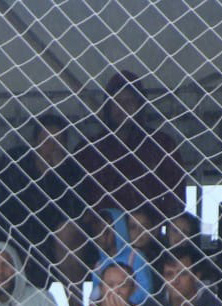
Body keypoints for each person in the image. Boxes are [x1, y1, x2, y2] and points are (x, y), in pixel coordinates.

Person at [0, 112, 85, 293]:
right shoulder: (13, 164)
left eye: (58, 141)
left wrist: (58, 174)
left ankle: (75, 303)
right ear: (34, 143)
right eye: (46, 141)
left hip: (50, 244)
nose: (52, 147)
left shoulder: (71, 171)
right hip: (8, 234)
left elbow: (73, 215)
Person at [78, 70, 185, 227]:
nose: (123, 107)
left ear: (140, 104)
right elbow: (78, 199)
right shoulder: (89, 149)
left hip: (147, 231)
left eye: (129, 101)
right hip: (102, 231)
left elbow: (176, 196)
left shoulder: (162, 144)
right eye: (117, 101)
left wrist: (156, 224)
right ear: (108, 105)